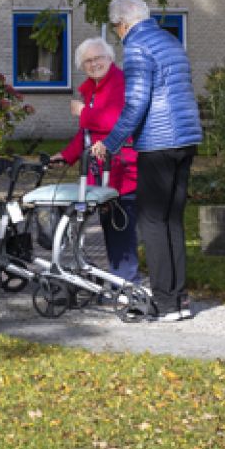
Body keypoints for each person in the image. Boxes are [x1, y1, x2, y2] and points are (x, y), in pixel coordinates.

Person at [91, 0, 202, 322]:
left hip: (158, 142)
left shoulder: (137, 47)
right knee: (172, 220)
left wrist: (110, 142)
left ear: (123, 23)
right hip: (186, 140)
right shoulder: (169, 41)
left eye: (115, 28)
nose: (117, 34)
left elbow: (136, 102)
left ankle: (165, 304)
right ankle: (178, 299)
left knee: (153, 221)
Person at [58, 36, 139, 283]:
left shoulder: (118, 83)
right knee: (110, 227)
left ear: (110, 58)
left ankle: (127, 284)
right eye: (88, 61)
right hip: (101, 171)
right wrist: (65, 156)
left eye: (98, 58)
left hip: (121, 170)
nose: (94, 64)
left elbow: (114, 123)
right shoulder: (92, 88)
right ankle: (119, 281)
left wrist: (84, 112)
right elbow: (87, 134)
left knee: (120, 229)